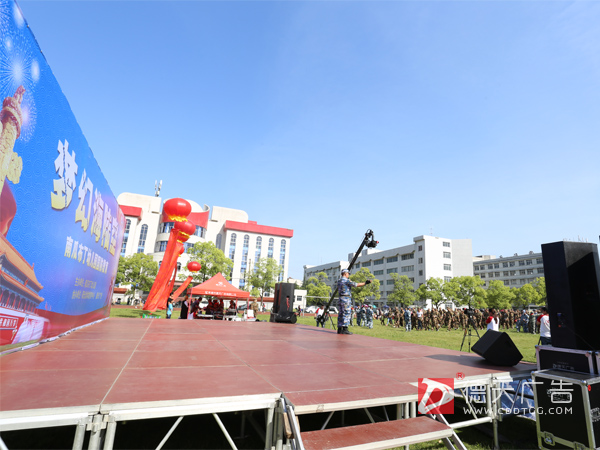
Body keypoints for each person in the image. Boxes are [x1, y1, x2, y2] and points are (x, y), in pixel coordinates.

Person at [336, 269, 369, 335]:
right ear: (345, 274)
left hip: (340, 298)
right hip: (346, 298)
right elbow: (356, 285)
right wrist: (365, 283)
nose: (348, 275)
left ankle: (339, 329)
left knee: (341, 313)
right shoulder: (346, 280)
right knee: (346, 313)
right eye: (348, 274)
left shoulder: (339, 280)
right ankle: (345, 329)